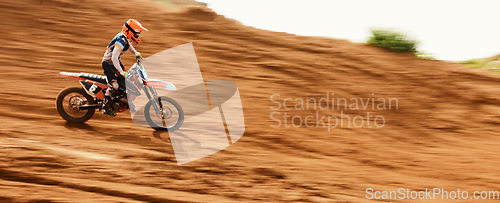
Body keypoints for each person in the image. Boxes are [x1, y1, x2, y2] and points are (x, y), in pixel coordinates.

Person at [102, 19, 148, 116]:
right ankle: (106, 106)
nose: (137, 36)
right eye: (136, 34)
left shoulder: (126, 39)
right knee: (114, 85)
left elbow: (129, 46)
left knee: (126, 80)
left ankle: (124, 101)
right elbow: (114, 57)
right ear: (129, 31)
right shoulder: (120, 40)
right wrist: (121, 71)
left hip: (115, 62)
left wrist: (136, 53)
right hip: (108, 63)